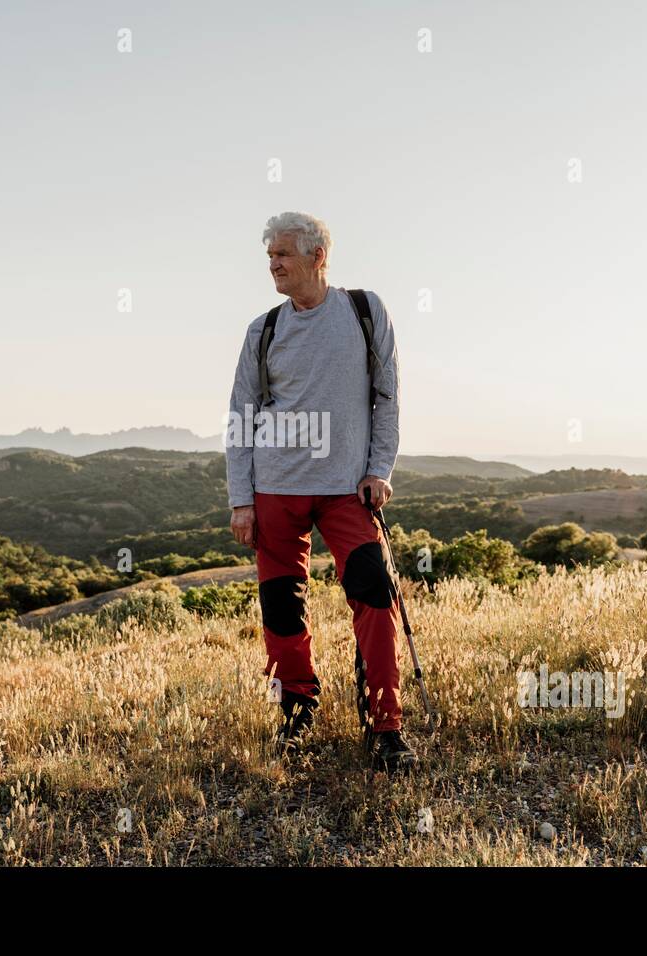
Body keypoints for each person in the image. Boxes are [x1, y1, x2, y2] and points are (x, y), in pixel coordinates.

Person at [224, 211, 416, 774]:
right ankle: (296, 714)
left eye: (282, 254)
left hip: (346, 491)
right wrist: (242, 499)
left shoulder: (364, 311)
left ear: (317, 257)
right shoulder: (262, 330)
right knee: (281, 608)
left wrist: (380, 469)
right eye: (269, 257)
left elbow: (388, 397)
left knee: (375, 597)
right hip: (275, 490)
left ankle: (386, 724)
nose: (273, 264)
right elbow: (241, 415)